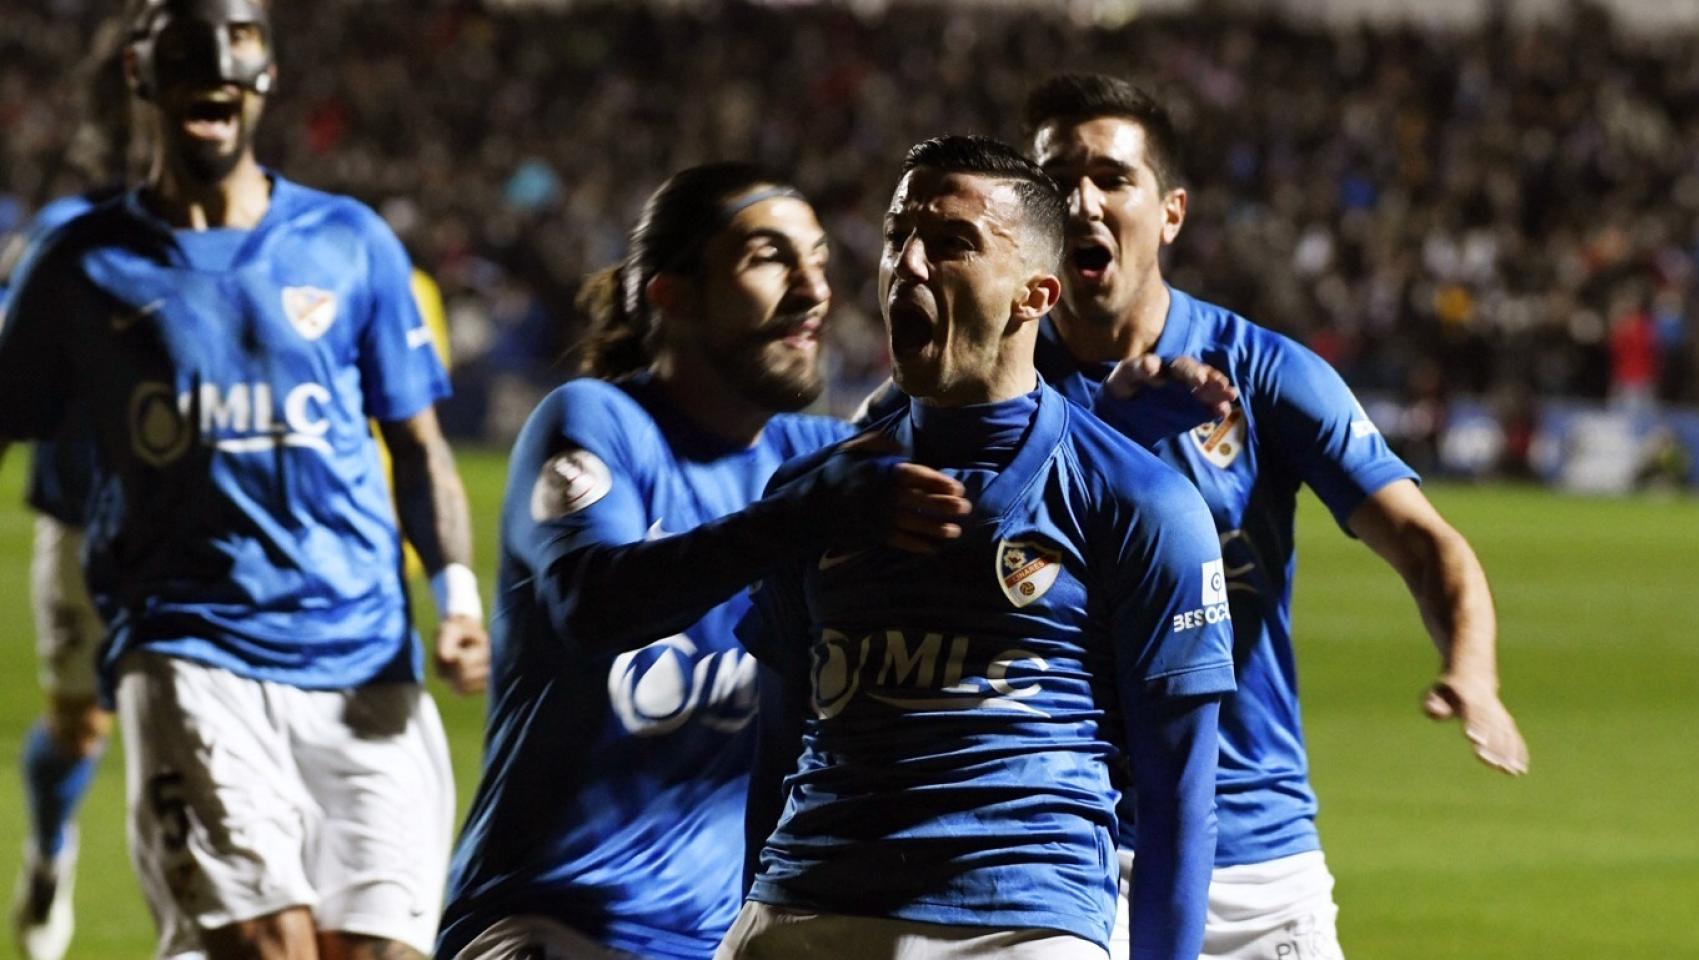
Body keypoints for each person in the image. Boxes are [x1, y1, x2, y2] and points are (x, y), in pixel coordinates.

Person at [0, 1, 489, 957]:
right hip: (190, 649)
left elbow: (420, 444)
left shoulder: (352, 242)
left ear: (265, 80)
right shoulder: (77, 262)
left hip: (367, 663)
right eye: (183, 55)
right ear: (140, 78)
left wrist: (458, 597)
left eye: (239, 44)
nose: (213, 70)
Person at [1021, 73, 1530, 959]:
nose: (1082, 200)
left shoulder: (1262, 373)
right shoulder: (991, 386)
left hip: (1258, 862)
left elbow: (1425, 544)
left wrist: (1474, 672)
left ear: (1169, 213)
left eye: (1111, 177)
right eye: (1058, 178)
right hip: (1068, 851)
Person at [720, 135, 1235, 960]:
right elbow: (776, 749)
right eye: (898, 235)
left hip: (1015, 922)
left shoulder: (1143, 502)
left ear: (1036, 294)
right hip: (800, 912)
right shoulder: (813, 492)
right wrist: (757, 911)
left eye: (952, 242)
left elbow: (1179, 797)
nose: (908, 265)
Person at [437, 163, 968, 960]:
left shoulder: (812, 458)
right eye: (769, 258)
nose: (813, 289)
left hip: (728, 942)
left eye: (819, 261)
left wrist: (1149, 394)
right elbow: (594, 604)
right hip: (552, 924)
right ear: (671, 296)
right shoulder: (599, 422)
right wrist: (798, 519)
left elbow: (999, 462)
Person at [1, 17, 149, 960]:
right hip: (84, 521)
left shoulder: (260, 227)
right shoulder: (63, 240)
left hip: (206, 538)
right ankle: (49, 846)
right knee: (80, 726)